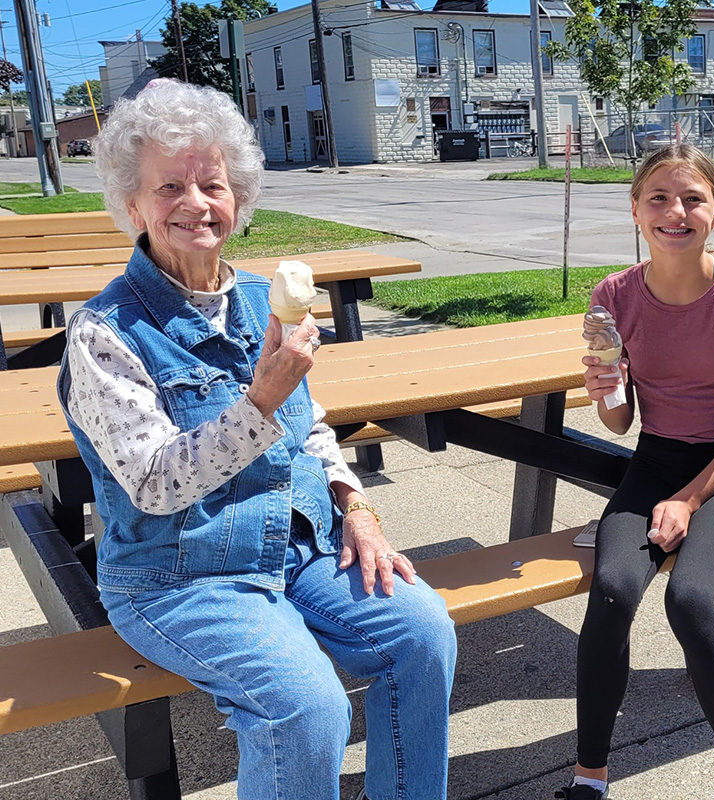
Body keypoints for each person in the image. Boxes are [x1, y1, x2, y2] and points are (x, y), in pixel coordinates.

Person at [56, 79, 456, 800]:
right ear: (134, 203)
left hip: (297, 543)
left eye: (212, 183)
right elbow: (152, 484)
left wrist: (355, 502)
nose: (195, 204)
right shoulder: (103, 333)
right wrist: (260, 398)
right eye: (169, 186)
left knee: (422, 634)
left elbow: (312, 428)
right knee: (305, 707)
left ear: (237, 197)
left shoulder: (261, 298)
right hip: (178, 575)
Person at [558, 145, 714, 800]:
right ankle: (590, 777)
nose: (675, 211)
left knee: (690, 598)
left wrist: (689, 500)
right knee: (611, 592)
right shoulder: (612, 296)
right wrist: (605, 390)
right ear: (636, 211)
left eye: (692, 198)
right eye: (658, 198)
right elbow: (619, 422)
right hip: (654, 461)